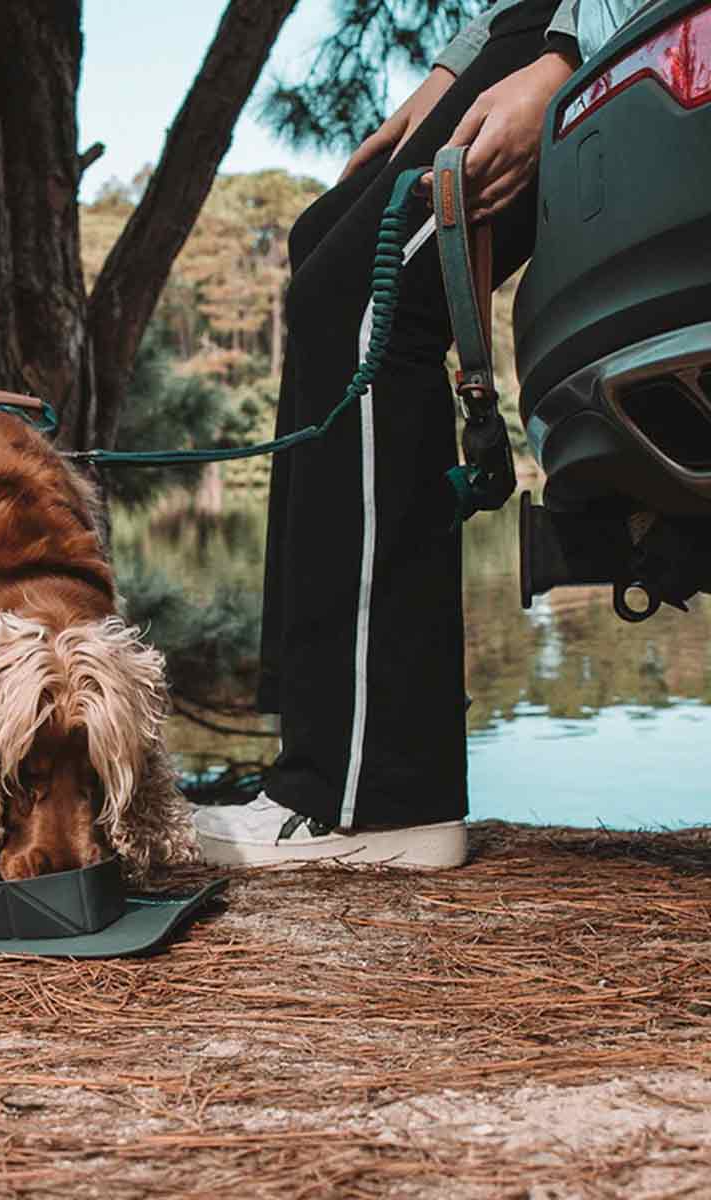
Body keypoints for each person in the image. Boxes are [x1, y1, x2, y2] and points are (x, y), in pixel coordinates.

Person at [193, 0, 651, 868]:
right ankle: (316, 755)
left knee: (368, 306)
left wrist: (561, 60)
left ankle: (377, 798)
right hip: (545, 22)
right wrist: (450, 72)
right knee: (318, 242)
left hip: (598, 29)